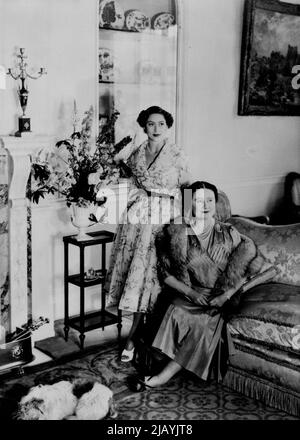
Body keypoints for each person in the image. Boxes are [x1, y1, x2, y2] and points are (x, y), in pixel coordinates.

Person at [132, 181, 264, 390]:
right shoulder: (178, 232)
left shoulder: (229, 233)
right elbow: (164, 274)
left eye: (209, 200)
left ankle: (162, 377)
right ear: (189, 202)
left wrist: (225, 296)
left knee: (203, 322)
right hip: (191, 294)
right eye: (198, 200)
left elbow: (245, 270)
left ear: (215, 202)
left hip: (221, 296)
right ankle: (168, 362)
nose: (205, 205)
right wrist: (191, 293)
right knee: (175, 310)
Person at [104, 106, 191, 362]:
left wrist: (184, 222)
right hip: (139, 217)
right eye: (151, 124)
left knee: (157, 275)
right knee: (138, 275)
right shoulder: (136, 151)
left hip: (166, 215)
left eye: (161, 124)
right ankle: (134, 336)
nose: (155, 129)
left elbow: (187, 185)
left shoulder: (176, 153)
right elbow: (128, 182)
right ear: (144, 126)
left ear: (168, 126)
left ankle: (152, 338)